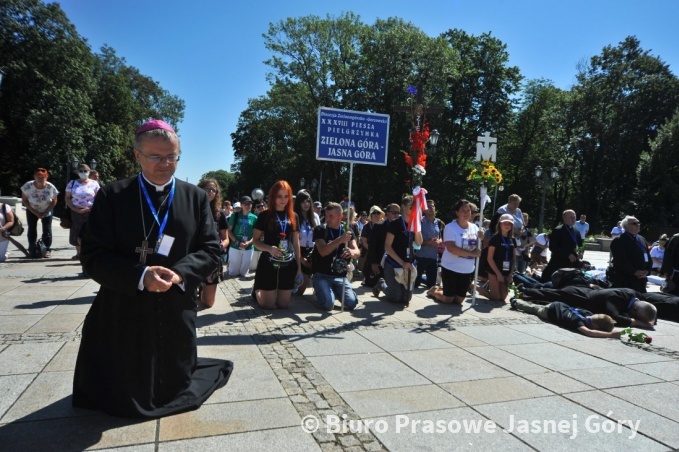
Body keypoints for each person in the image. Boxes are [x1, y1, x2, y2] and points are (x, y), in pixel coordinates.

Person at [73, 119, 232, 418]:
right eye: (156, 156)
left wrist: (181, 272)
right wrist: (141, 275)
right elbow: (93, 256)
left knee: (174, 375)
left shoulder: (195, 197)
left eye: (172, 156)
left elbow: (211, 249)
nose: (165, 164)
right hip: (124, 301)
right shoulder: (112, 196)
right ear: (137, 155)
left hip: (176, 300)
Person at [251, 180, 302, 309]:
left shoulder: (294, 216)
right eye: (279, 196)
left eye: (286, 196)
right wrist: (268, 248)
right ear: (273, 197)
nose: (283, 200)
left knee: (283, 304)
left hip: (287, 260)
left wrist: (299, 268)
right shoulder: (264, 215)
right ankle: (256, 290)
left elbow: (296, 242)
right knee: (269, 305)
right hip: (269, 260)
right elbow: (256, 240)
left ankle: (274, 293)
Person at [519, 286, 657, 329]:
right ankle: (526, 290)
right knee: (548, 295)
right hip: (578, 296)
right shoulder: (615, 299)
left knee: (550, 294)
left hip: (586, 295)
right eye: (635, 315)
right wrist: (637, 322)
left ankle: (528, 291)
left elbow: (648, 307)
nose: (633, 317)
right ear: (634, 310)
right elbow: (615, 318)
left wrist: (651, 320)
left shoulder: (636, 296)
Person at [427, 199, 483, 305]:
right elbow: (451, 248)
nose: (466, 213)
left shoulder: (475, 228)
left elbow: (478, 248)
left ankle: (444, 290)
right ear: (457, 212)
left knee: (459, 300)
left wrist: (481, 239)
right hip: (451, 267)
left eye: (468, 210)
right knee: (448, 300)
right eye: (463, 210)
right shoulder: (450, 227)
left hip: (466, 269)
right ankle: (434, 292)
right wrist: (471, 254)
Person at [310, 202, 360, 310]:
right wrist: (340, 240)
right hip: (322, 274)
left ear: (340, 216)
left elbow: (357, 252)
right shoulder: (320, 230)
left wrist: (352, 252)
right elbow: (323, 251)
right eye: (326, 215)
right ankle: (321, 291)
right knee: (328, 305)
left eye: (331, 216)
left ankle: (331, 291)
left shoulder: (347, 231)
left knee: (352, 303)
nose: (327, 219)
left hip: (340, 275)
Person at [375, 196, 423, 305]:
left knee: (406, 299)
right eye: (411, 207)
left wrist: (417, 228)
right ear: (403, 207)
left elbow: (419, 243)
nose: (413, 210)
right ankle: (381, 284)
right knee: (395, 298)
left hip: (409, 264)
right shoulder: (395, 223)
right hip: (394, 263)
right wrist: (402, 263)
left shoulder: (415, 223)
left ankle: (398, 288)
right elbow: (387, 246)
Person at [511, 299, 620, 338]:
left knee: (536, 306)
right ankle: (516, 303)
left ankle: (520, 300)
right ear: (595, 326)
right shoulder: (577, 321)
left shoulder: (587, 313)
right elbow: (589, 333)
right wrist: (610, 335)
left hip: (560, 305)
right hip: (550, 312)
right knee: (533, 309)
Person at [196, 178, 228, 308]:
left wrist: (220, 246)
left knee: (208, 303)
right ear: (201, 189)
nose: (210, 192)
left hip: (212, 258)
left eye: (213, 190)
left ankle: (203, 289)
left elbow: (226, 239)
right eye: (207, 189)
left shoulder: (219, 214)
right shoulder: (192, 210)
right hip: (194, 257)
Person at [476, 213, 516, 302]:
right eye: (504, 223)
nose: (507, 225)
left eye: (509, 223)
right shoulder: (495, 238)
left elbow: (513, 259)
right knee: (496, 298)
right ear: (500, 224)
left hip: (506, 271)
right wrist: (498, 274)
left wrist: (510, 274)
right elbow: (489, 258)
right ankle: (474, 286)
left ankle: (490, 287)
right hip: (494, 271)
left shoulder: (512, 240)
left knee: (503, 298)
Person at [21, 168, 59, 258]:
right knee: (32, 228)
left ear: (46, 177)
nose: (40, 179)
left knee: (47, 230)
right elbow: (24, 200)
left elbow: (54, 200)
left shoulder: (50, 187)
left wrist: (46, 211)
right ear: (34, 177)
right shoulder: (28, 186)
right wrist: (34, 212)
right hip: (32, 209)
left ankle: (47, 249)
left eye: (42, 177)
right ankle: (32, 249)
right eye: (38, 177)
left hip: (47, 209)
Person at [65, 163, 100, 259]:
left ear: (89, 172)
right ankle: (79, 253)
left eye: (85, 171)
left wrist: (89, 208)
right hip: (76, 212)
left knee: (90, 232)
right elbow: (67, 198)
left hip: (90, 211)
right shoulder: (72, 183)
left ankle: (90, 252)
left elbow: (99, 198)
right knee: (77, 233)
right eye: (81, 171)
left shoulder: (94, 183)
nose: (83, 173)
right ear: (77, 172)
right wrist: (74, 208)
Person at [609, 215, 651, 293]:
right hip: (625, 280)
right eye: (634, 223)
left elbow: (648, 256)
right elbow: (621, 261)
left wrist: (647, 271)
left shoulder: (642, 239)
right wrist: (634, 272)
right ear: (625, 226)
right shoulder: (619, 240)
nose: (638, 225)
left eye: (638, 223)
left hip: (641, 279)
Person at [541, 210, 582, 283]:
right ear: (564, 218)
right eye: (571, 217)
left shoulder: (577, 232)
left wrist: (581, 253)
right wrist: (568, 254)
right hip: (558, 264)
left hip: (572, 264)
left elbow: (580, 245)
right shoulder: (558, 230)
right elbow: (553, 247)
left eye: (574, 217)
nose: (573, 219)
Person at [415, 199, 444, 289]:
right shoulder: (419, 221)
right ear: (424, 210)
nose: (431, 208)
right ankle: (420, 279)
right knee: (415, 284)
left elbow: (442, 237)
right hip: (420, 257)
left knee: (431, 285)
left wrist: (439, 241)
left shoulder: (439, 222)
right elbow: (415, 241)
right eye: (428, 207)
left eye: (433, 206)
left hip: (433, 258)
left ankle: (423, 280)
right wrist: (428, 243)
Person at [294, 190, 319, 295]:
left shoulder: (315, 217)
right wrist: (300, 258)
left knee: (304, 287)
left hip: (311, 251)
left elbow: (318, 237)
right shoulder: (294, 217)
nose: (306, 204)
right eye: (303, 202)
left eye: (308, 201)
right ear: (298, 203)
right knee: (298, 288)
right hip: (298, 251)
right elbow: (293, 241)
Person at [227, 195, 257, 277]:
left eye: (249, 204)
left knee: (244, 273)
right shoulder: (235, 215)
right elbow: (229, 231)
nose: (247, 206)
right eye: (245, 204)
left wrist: (249, 242)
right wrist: (237, 242)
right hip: (235, 246)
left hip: (248, 247)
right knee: (233, 272)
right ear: (241, 205)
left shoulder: (254, 218)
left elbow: (256, 234)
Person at [361, 206, 384, 287]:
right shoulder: (366, 227)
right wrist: (373, 251)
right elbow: (364, 242)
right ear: (371, 215)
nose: (376, 214)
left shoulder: (384, 226)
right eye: (374, 213)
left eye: (378, 213)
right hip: (369, 252)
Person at [248, 200, 265, 273]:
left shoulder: (269, 217)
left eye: (262, 206)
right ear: (255, 209)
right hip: (254, 247)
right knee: (252, 268)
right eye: (258, 206)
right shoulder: (253, 218)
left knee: (261, 269)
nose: (261, 208)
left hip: (265, 247)